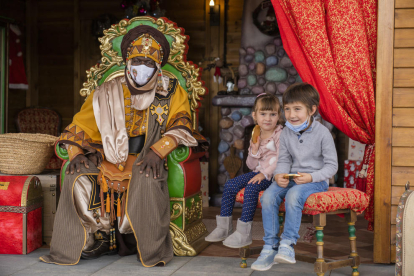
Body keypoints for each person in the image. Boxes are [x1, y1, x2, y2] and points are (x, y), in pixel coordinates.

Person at [40, 25, 207, 267]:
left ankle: (146, 245)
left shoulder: (171, 91)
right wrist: (75, 153)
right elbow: (80, 126)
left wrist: (157, 152)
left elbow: (182, 125)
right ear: (127, 61)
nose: (142, 67)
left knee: (146, 176)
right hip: (106, 156)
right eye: (137, 60)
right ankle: (94, 240)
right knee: (77, 176)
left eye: (149, 63)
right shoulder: (106, 90)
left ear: (158, 67)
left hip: (147, 155)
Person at [251, 83, 338, 271]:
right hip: (290, 178)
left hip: (315, 181)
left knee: (293, 195)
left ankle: (287, 244)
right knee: (268, 196)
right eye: (287, 109)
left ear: (312, 110)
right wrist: (279, 175)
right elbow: (283, 159)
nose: (291, 115)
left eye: (297, 109)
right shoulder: (287, 132)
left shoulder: (323, 134)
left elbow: (332, 166)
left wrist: (311, 177)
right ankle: (270, 246)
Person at [205, 93, 283, 248]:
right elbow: (251, 164)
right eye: (263, 114)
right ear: (254, 116)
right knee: (230, 185)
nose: (267, 118)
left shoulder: (280, 134)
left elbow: (282, 160)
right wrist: (254, 150)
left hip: (274, 176)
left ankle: (244, 232)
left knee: (251, 188)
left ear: (278, 116)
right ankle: (224, 227)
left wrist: (265, 174)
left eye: (272, 114)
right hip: (258, 172)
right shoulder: (256, 133)